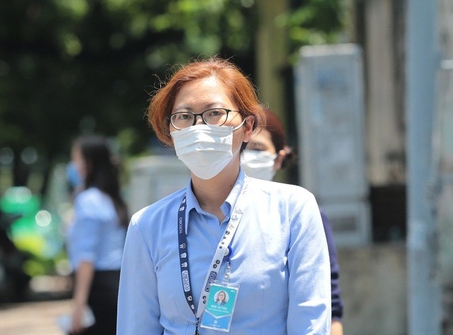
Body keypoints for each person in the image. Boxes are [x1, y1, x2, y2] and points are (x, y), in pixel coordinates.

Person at [117, 57, 331, 334]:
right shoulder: (147, 225)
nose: (198, 127)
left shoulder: (293, 210)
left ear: (247, 127)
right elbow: (135, 327)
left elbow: (310, 323)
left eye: (214, 113)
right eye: (183, 117)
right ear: (170, 132)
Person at [241, 107, 344, 335]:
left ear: (279, 158)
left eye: (257, 148)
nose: (247, 156)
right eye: (242, 148)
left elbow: (329, 302)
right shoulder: (201, 213)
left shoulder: (299, 212)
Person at [66, 135, 128, 334]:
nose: (74, 166)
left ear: (88, 163)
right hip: (119, 282)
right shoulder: (114, 199)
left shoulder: (88, 200)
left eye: (76, 159)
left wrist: (79, 304)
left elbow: (86, 256)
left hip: (100, 286)